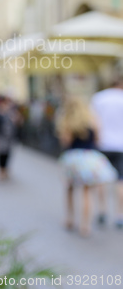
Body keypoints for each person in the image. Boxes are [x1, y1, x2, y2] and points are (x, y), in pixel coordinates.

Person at [56, 97, 117, 237]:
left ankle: (70, 219)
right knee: (87, 192)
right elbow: (98, 140)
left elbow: (65, 142)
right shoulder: (93, 121)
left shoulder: (67, 122)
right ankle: (85, 225)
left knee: (69, 189)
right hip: (90, 158)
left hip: (72, 158)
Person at [91, 79, 123, 228]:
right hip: (120, 146)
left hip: (102, 144)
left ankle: (102, 211)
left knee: (100, 180)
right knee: (120, 181)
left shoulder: (99, 98)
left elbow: (92, 121)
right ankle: (120, 215)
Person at [0, 96, 17, 180]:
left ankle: (5, 169)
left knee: (7, 153)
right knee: (0, 153)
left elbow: (16, 124)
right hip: (0, 137)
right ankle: (0, 170)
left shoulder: (11, 113)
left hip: (9, 137)